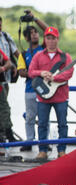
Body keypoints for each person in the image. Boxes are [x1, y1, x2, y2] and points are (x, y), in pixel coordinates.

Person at [28, 26, 74, 160]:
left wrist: (55, 78)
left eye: (53, 38)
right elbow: (31, 71)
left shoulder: (66, 57)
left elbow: (69, 73)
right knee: (42, 123)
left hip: (61, 96)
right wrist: (41, 73)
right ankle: (42, 150)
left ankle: (62, 150)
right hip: (43, 98)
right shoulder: (38, 56)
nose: (51, 41)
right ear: (45, 40)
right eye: (48, 38)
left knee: (63, 124)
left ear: (57, 39)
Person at [16, 12, 48, 151]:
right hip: (30, 90)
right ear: (26, 37)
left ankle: (44, 143)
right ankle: (29, 141)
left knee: (44, 119)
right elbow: (21, 72)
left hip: (45, 89)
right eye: (32, 33)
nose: (35, 35)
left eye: (36, 32)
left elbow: (48, 31)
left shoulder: (44, 49)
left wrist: (35, 19)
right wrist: (36, 72)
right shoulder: (23, 54)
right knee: (30, 117)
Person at [0, 15, 20, 143]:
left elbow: (13, 56)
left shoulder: (6, 37)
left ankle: (5, 134)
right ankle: (5, 133)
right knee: (4, 107)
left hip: (4, 79)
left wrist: (21, 66)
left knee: (4, 107)